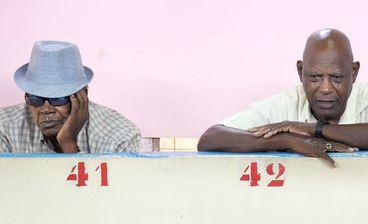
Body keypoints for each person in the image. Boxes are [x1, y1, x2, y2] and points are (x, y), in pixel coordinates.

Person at [198, 28, 368, 166]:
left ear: (354, 72)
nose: (325, 88)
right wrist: (289, 140)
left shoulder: (365, 96)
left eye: (337, 78)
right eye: (315, 77)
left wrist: (314, 129)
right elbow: (210, 138)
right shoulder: (286, 103)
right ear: (301, 71)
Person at [0, 41, 141, 153]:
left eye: (57, 98)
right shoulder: (4, 127)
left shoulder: (118, 136)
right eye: (35, 98)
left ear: (82, 95)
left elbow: (111, 190)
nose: (46, 109)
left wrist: (68, 142)